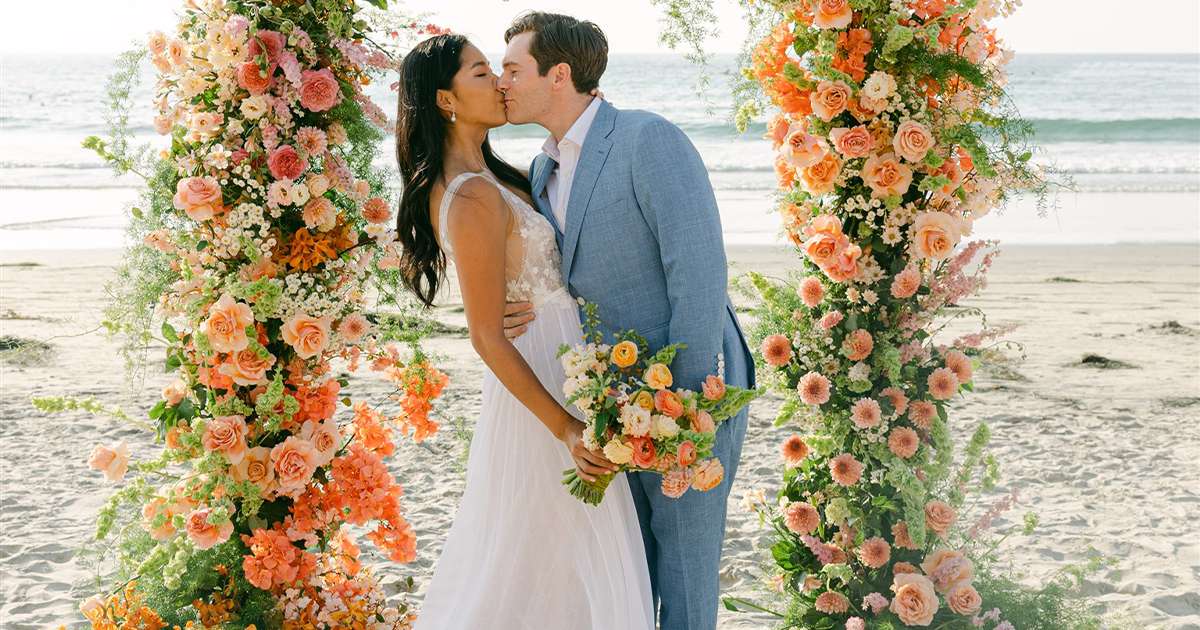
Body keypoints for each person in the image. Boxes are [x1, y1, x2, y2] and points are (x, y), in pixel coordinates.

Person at [497, 12, 756, 630]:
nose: (502, 81)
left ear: (558, 75)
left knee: (686, 565)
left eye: (513, 68)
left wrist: (689, 403)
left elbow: (697, 272)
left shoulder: (647, 139)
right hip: (606, 399)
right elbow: (565, 277)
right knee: (629, 564)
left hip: (689, 388)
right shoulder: (541, 169)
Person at [394, 33, 654, 629]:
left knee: (558, 552)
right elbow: (487, 335)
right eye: (482, 73)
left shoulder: (505, 176)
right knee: (546, 548)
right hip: (543, 383)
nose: (500, 83)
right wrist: (565, 427)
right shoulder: (471, 195)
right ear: (446, 100)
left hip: (562, 360)